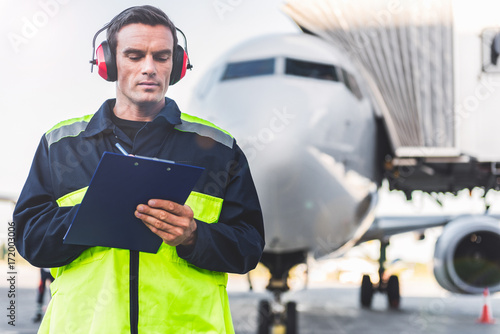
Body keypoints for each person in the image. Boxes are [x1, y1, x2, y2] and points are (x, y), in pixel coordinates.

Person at [14, 5, 264, 334]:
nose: (149, 68)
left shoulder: (219, 148)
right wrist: (92, 216)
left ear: (176, 66)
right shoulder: (60, 145)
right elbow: (29, 240)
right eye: (134, 55)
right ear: (108, 62)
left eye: (161, 57)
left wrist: (193, 237)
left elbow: (248, 248)